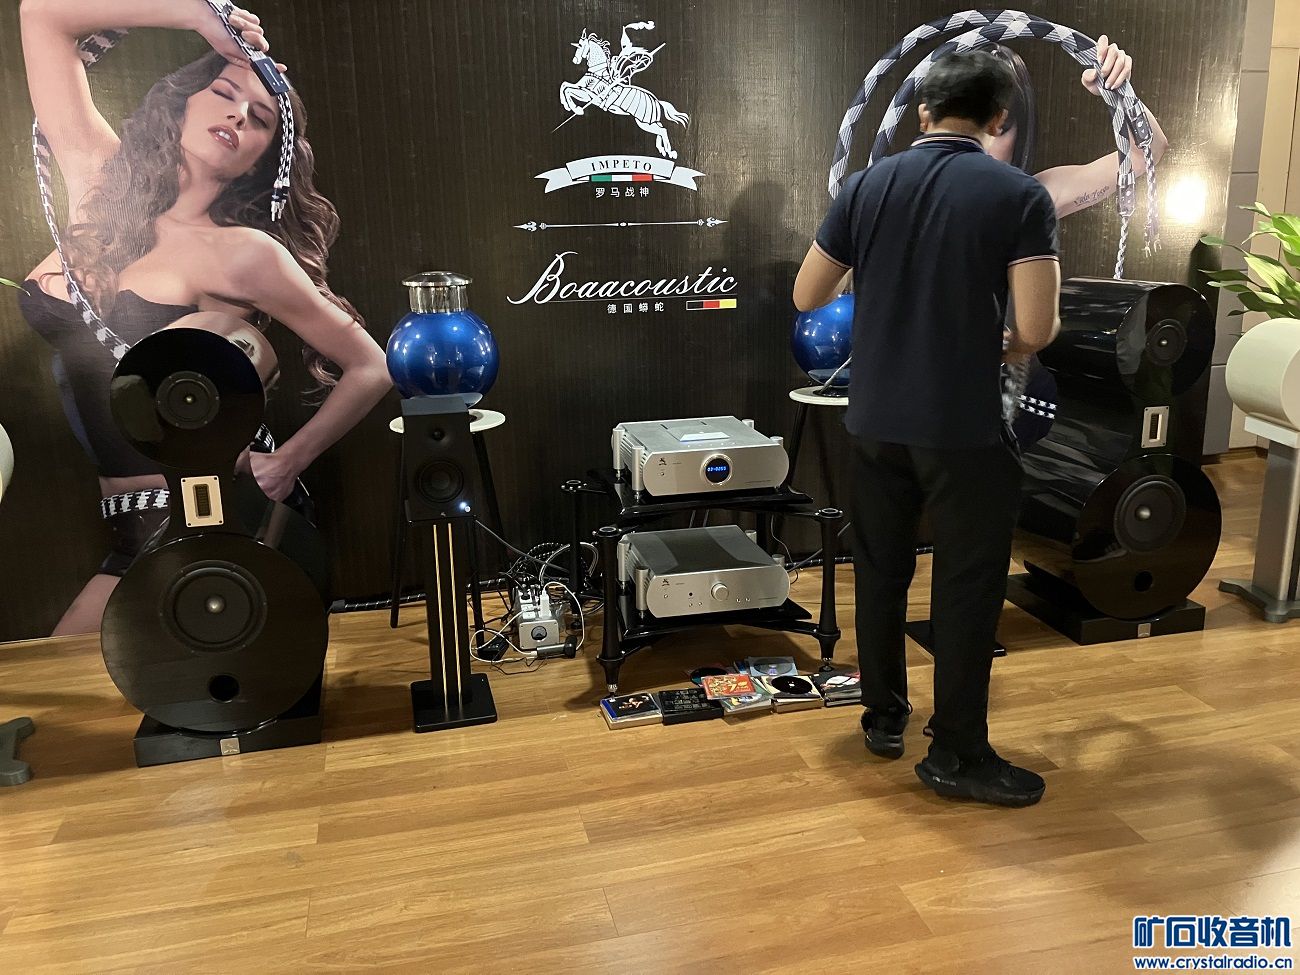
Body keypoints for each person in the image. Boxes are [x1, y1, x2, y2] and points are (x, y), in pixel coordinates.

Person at [17, 0, 391, 635]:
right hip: (128, 526)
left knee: (76, 679)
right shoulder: (101, 185)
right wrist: (198, 16)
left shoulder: (243, 254)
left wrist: (287, 463)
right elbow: (42, 14)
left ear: (263, 159)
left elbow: (371, 366)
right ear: (180, 104)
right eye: (223, 93)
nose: (238, 114)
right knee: (64, 685)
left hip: (215, 518)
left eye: (261, 119)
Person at [793, 50, 1061, 807]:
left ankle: (882, 717)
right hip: (962, 425)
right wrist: (1001, 341)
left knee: (881, 569)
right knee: (966, 586)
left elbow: (808, 294)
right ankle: (957, 755)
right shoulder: (1019, 196)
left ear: (921, 113)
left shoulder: (865, 186)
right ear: (998, 119)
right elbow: (1035, 327)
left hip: (875, 419)